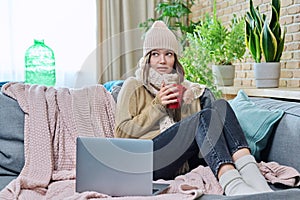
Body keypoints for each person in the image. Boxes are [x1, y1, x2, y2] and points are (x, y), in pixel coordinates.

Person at [114, 21, 273, 196]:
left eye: (168, 54)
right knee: (202, 118)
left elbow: (196, 133)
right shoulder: (133, 85)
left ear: (175, 58)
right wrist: (158, 105)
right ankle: (233, 184)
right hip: (148, 159)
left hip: (182, 160)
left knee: (221, 105)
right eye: (155, 54)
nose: (162, 60)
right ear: (147, 58)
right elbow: (121, 133)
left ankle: (252, 175)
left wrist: (189, 100)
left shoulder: (185, 88)